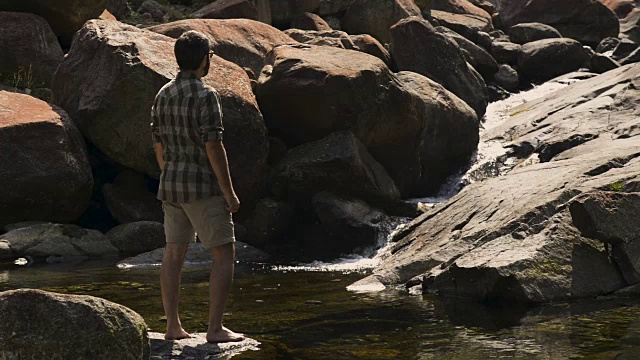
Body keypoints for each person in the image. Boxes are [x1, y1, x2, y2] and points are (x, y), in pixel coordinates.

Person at [150, 30, 243, 343]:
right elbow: (214, 146)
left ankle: (173, 328)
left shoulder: (162, 93)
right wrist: (229, 193)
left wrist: (169, 174)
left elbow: (158, 142)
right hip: (202, 187)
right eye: (210, 56)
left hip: (171, 186)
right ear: (204, 60)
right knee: (224, 254)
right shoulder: (206, 95)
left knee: (173, 254)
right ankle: (215, 329)